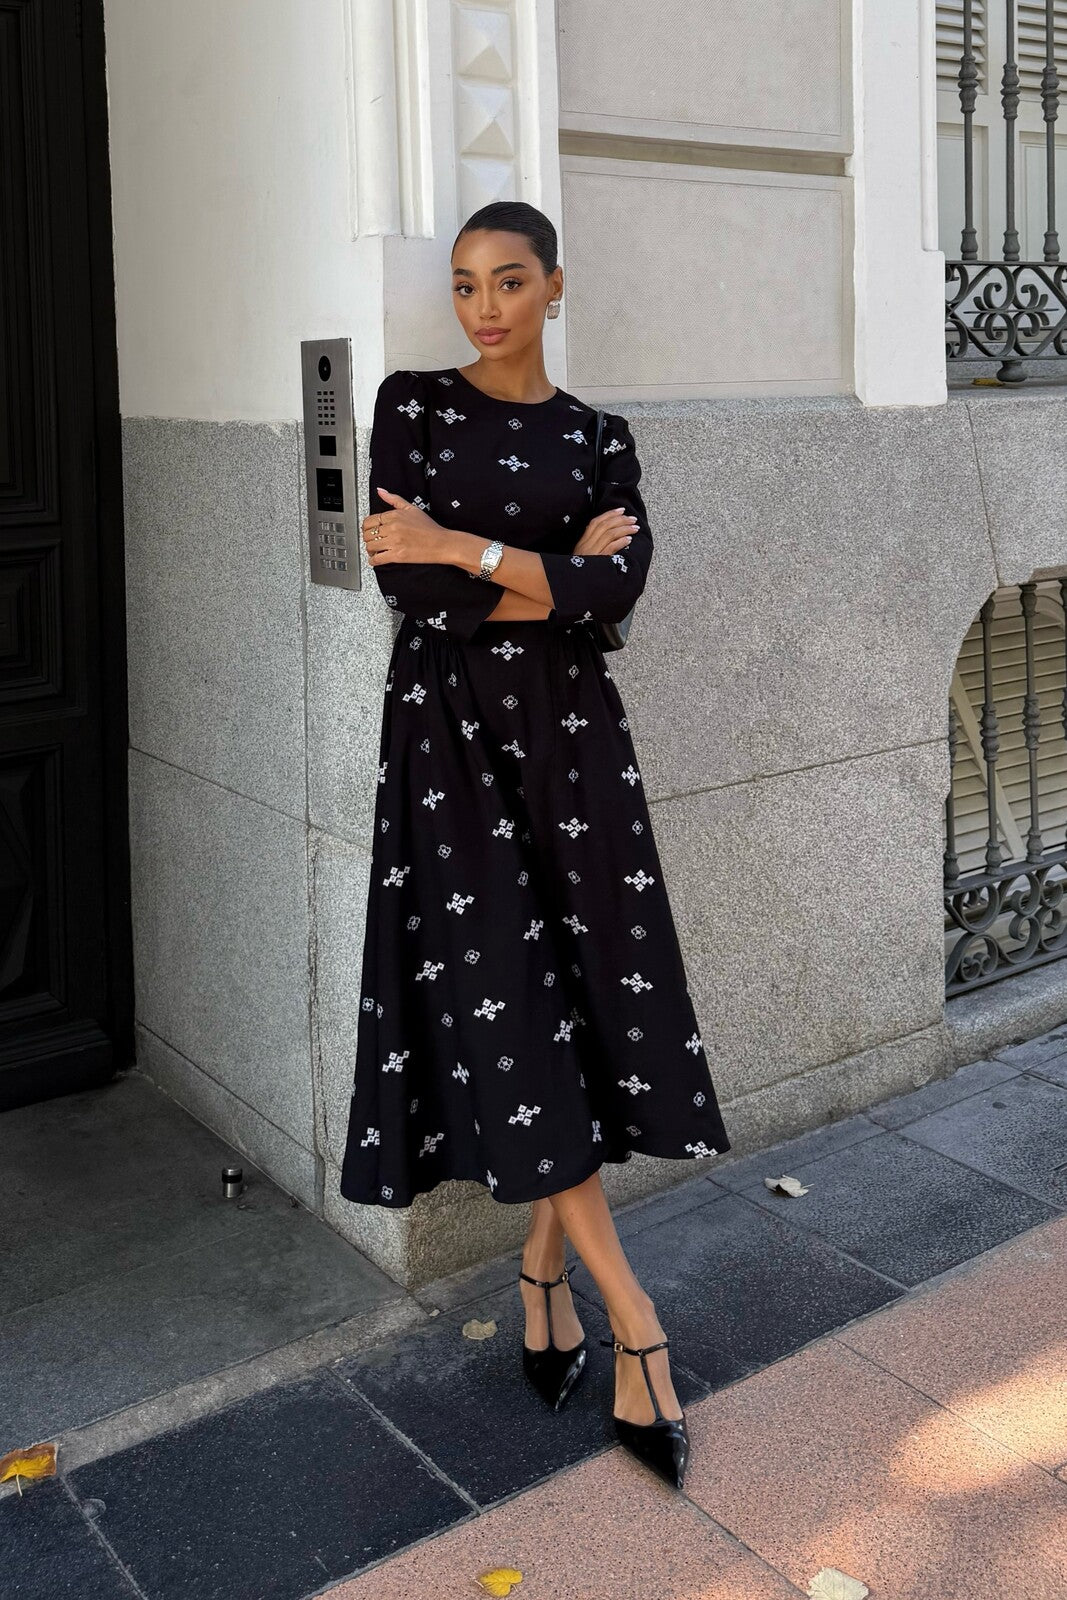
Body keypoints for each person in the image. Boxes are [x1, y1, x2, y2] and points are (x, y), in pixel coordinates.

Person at [339, 199, 731, 1490]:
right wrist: (538, 563)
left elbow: (620, 591)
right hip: (449, 751)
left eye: (510, 281)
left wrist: (470, 546)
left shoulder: (600, 435)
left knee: (581, 999)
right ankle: (637, 1327)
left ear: (554, 287)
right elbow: (412, 586)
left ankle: (542, 1278)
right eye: (464, 284)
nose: (483, 305)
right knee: (507, 1005)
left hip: (574, 744)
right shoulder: (412, 405)